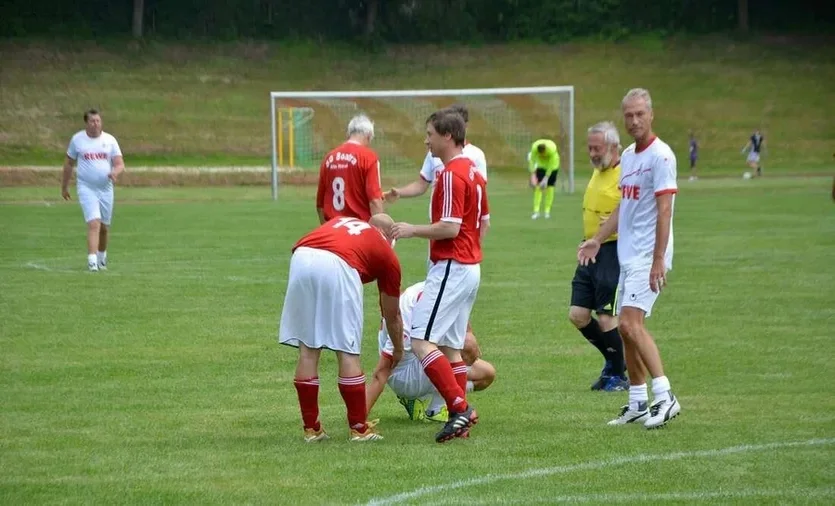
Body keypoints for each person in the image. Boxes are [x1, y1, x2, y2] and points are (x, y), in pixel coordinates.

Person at [578, 88, 681, 429]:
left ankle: (665, 396)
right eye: (629, 115)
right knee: (626, 330)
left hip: (648, 255)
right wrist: (597, 240)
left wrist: (658, 259)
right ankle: (638, 402)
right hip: (627, 254)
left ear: (651, 115)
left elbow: (664, 210)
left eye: (640, 114)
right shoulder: (627, 156)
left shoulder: (661, 156)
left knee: (629, 324)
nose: (634, 120)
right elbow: (625, 206)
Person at [391, 109, 489, 443]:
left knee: (420, 340)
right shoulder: (474, 171)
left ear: (448, 136)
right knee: (450, 347)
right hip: (469, 267)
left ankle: (459, 408)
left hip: (452, 266)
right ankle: (459, 419)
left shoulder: (450, 174)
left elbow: (450, 227)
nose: (426, 141)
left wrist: (411, 230)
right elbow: (483, 222)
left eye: (430, 134)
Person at [278, 214, 404, 442]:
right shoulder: (387, 252)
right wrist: (398, 348)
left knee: (308, 348)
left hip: (302, 255)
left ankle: (312, 429)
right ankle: (359, 429)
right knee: (347, 349)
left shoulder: (344, 221)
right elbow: (392, 314)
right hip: (338, 264)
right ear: (388, 235)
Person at [366, 281, 497, 423]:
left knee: (486, 373)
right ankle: (428, 400)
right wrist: (358, 421)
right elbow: (382, 372)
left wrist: (469, 336)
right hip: (403, 376)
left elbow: (464, 330)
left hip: (421, 360)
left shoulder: (442, 292)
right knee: (459, 348)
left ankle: (437, 408)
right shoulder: (405, 317)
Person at [569, 121, 627, 392]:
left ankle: (619, 375)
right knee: (578, 314)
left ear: (613, 147)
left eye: (597, 148)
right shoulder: (599, 170)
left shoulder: (625, 172)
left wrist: (613, 229)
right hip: (590, 249)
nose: (592, 153)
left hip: (612, 251)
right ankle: (614, 363)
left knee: (606, 316)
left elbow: (636, 210)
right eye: (590, 148)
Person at [382, 103, 487, 206]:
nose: (426, 141)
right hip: (439, 216)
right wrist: (399, 192)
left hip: (455, 216)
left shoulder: (476, 155)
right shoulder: (434, 153)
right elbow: (421, 185)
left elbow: (478, 193)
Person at [61, 109, 125, 272]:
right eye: (92, 121)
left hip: (106, 188)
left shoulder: (109, 140)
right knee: (93, 223)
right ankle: (92, 261)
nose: (95, 124)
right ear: (86, 123)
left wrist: (114, 172)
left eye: (98, 121)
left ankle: (102, 259)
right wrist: (64, 186)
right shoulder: (78, 140)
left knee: (104, 227)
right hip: (86, 187)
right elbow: (69, 164)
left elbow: (119, 164)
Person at [315, 114, 384, 224]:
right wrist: (380, 231)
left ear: (348, 134)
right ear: (368, 136)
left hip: (333, 227)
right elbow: (375, 201)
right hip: (358, 228)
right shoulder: (368, 157)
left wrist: (327, 228)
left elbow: (320, 205)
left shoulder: (329, 158)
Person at [528, 138, 561, 219]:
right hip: (541, 166)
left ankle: (547, 212)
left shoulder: (552, 150)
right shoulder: (534, 148)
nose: (542, 156)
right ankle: (536, 211)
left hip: (553, 167)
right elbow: (532, 161)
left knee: (550, 188)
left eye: (543, 154)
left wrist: (546, 179)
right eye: (541, 155)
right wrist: (532, 175)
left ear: (545, 151)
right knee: (538, 188)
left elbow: (551, 165)